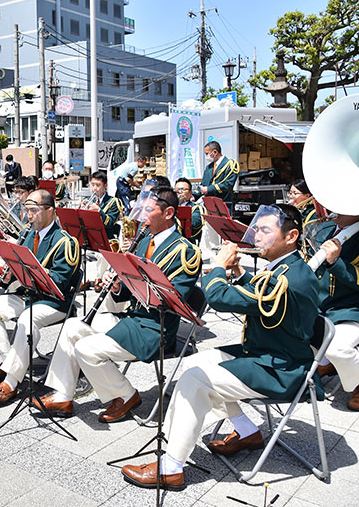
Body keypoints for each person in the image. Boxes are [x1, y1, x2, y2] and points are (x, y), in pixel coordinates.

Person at [120, 203, 317, 491]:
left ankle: (171, 468)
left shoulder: (288, 276)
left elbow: (221, 298)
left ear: (291, 237)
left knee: (195, 379)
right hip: (267, 353)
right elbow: (264, 293)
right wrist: (239, 273)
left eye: (265, 230)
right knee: (193, 364)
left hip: (281, 368)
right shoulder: (287, 267)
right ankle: (247, 430)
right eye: (256, 228)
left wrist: (219, 268)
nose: (256, 235)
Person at [31, 186, 201, 421]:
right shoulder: (144, 241)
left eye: (148, 210)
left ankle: (126, 395)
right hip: (133, 320)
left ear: (168, 213)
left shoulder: (186, 251)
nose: (141, 215)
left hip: (154, 329)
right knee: (71, 326)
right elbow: (129, 293)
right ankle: (62, 395)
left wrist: (135, 282)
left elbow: (171, 301)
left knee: (86, 349)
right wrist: (118, 286)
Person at [0, 189, 81, 404]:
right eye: (27, 210)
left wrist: (31, 272)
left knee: (28, 318)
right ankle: (7, 362)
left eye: (34, 210)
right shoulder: (27, 236)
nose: (29, 215)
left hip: (53, 302)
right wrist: (9, 273)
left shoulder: (66, 242)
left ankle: (11, 381)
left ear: (50, 211)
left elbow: (60, 282)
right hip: (28, 297)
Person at [314, 212, 359, 410]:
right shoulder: (325, 229)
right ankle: (327, 363)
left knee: (338, 349)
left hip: (351, 309)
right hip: (322, 306)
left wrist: (336, 262)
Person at [191, 140, 239, 206]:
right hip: (209, 204)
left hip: (223, 203)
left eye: (207, 154)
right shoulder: (209, 167)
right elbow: (203, 185)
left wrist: (208, 189)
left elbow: (227, 185)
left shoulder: (230, 165)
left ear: (215, 152)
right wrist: (194, 196)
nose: (206, 156)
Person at [86, 171, 124, 241]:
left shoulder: (114, 201)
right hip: (90, 237)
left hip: (106, 239)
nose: (94, 188)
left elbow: (109, 223)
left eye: (98, 185)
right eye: (92, 185)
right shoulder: (87, 200)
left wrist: (99, 210)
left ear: (105, 186)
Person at [174, 177, 205, 244]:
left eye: (183, 189)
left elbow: (194, 224)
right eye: (177, 190)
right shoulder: (170, 206)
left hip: (186, 242)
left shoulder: (196, 208)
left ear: (190, 192)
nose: (180, 192)